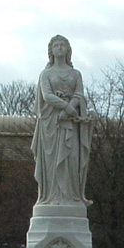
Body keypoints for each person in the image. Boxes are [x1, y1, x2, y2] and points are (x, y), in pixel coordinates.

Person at [31, 35, 94, 205]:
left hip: (70, 123)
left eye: (62, 45)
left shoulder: (75, 74)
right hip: (51, 124)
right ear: (51, 51)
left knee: (71, 159)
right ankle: (52, 198)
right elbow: (47, 96)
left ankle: (71, 197)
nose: (59, 47)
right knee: (52, 165)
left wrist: (71, 107)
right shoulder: (46, 74)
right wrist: (65, 107)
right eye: (56, 45)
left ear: (68, 50)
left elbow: (79, 94)